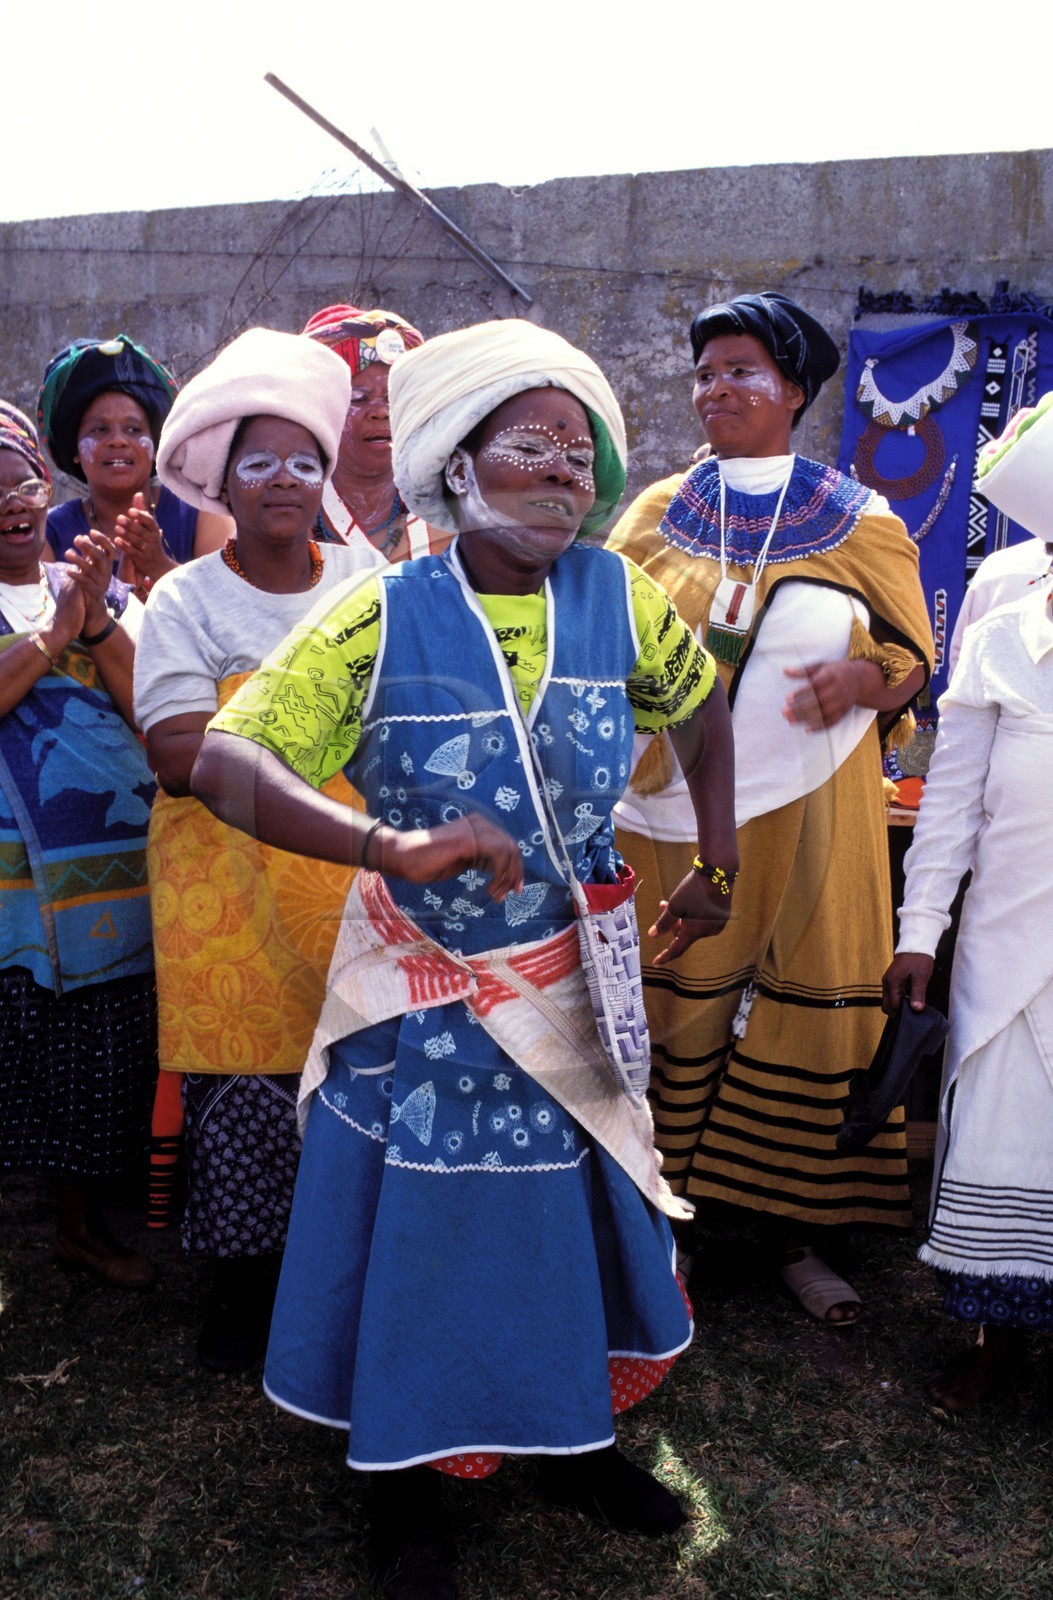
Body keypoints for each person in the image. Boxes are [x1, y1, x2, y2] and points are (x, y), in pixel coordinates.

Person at [190, 318, 737, 1599]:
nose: (562, 471)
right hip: (426, 1009)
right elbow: (226, 760)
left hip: (574, 991)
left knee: (579, 1222)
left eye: (578, 449)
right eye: (529, 445)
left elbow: (702, 715)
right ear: (455, 465)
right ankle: (406, 1489)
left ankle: (578, 1443)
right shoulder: (378, 616)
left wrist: (715, 863)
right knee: (431, 1242)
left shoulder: (621, 598)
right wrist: (384, 841)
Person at [607, 292, 934, 1324]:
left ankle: (796, 1234)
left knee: (804, 989)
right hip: (671, 811)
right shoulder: (656, 513)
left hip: (818, 810)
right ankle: (661, 1230)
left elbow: (911, 655)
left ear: (794, 388)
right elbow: (602, 635)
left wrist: (864, 686)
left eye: (742, 370)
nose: (718, 389)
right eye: (705, 372)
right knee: (679, 991)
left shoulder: (864, 520)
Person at [134, 327, 364, 1370]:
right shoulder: (185, 596)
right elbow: (180, 753)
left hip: (353, 874)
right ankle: (240, 1293)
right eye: (259, 462)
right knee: (245, 1092)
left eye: (303, 460)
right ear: (226, 482)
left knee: (352, 1077)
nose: (284, 479)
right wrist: (300, 733)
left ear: (325, 476)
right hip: (224, 879)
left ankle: (345, 1276)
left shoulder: (367, 579)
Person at [884, 394, 1053, 1411]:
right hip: (1005, 935)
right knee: (996, 1120)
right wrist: (920, 930)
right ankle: (995, 1344)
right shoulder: (1002, 616)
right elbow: (949, 799)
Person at [0, 401, 158, 1286]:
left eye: (22, 483)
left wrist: (92, 620)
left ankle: (89, 1214)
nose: (12, 504)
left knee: (105, 1045)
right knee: (41, 1048)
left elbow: (149, 708)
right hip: (18, 885)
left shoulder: (92, 583)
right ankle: (64, 1221)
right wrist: (50, 635)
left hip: (113, 867)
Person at [37, 335, 231, 594]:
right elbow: (42, 622)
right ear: (75, 450)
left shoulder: (203, 511)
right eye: (99, 429)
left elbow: (230, 605)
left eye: (133, 428)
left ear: (156, 447)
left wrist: (159, 566)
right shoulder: (48, 532)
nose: (117, 440)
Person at [302, 305, 448, 568]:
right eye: (359, 398)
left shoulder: (448, 501)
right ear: (319, 408)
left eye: (393, 397)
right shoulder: (292, 506)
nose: (381, 413)